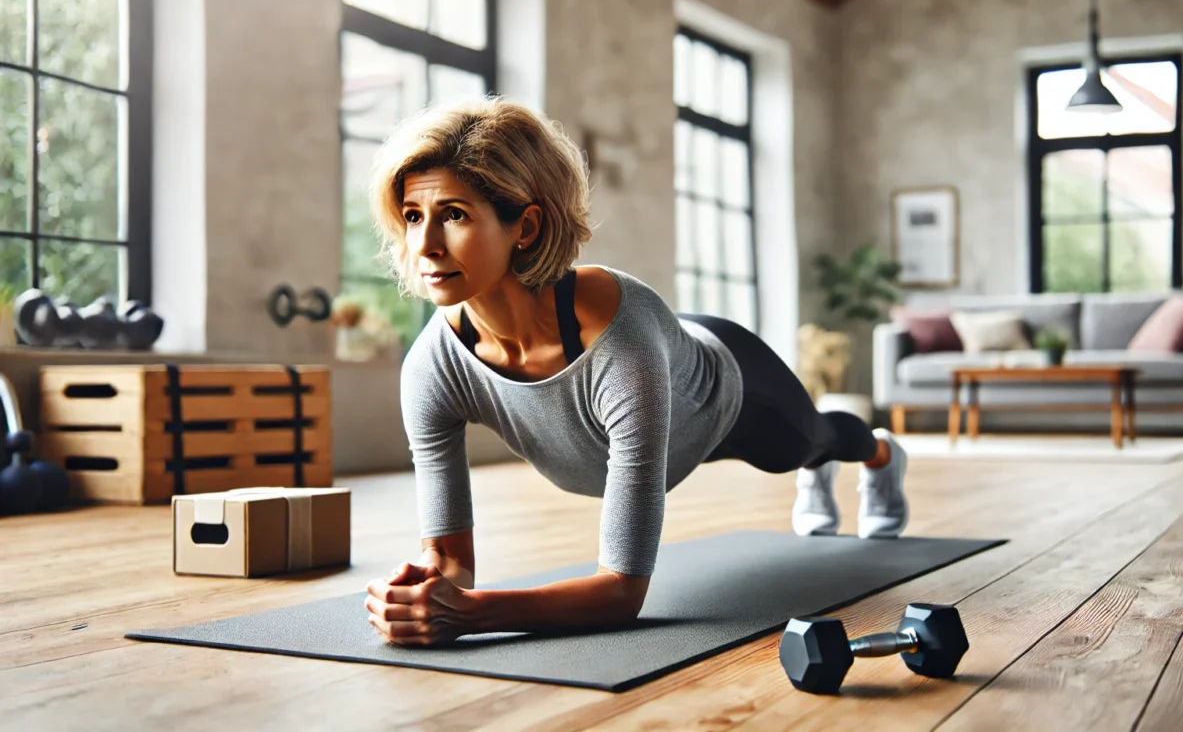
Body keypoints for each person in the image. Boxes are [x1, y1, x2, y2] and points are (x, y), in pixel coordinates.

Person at [362, 98, 909, 646]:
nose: (425, 246)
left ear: (525, 227)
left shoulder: (619, 341)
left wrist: (472, 616)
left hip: (730, 391)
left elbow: (622, 590)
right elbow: (450, 563)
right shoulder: (432, 367)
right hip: (661, 379)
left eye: (454, 214)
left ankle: (882, 457)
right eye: (413, 216)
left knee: (815, 441)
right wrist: (426, 594)